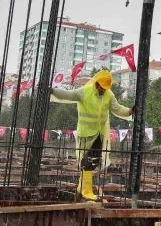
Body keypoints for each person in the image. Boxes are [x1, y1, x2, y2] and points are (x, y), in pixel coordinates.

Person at [49, 70, 133, 201]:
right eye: (101, 88)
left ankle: (82, 188)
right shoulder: (85, 92)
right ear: (97, 83)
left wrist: (129, 111)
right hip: (85, 134)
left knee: (92, 161)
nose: (103, 90)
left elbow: (117, 109)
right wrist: (52, 91)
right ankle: (85, 190)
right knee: (87, 161)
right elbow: (67, 95)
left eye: (105, 88)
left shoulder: (108, 95)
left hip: (99, 134)